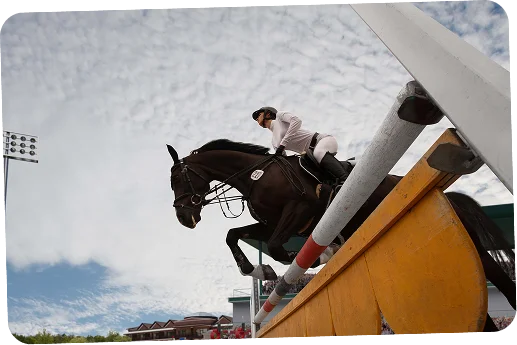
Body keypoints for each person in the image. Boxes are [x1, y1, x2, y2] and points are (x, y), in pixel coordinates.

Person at [251, 106, 351, 182]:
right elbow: (283, 160)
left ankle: (346, 179)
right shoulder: (274, 142)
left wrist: (283, 144)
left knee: (318, 153)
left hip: (322, 140)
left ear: (268, 114)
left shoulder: (280, 116)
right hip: (310, 157)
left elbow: (297, 121)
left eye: (259, 115)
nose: (257, 119)